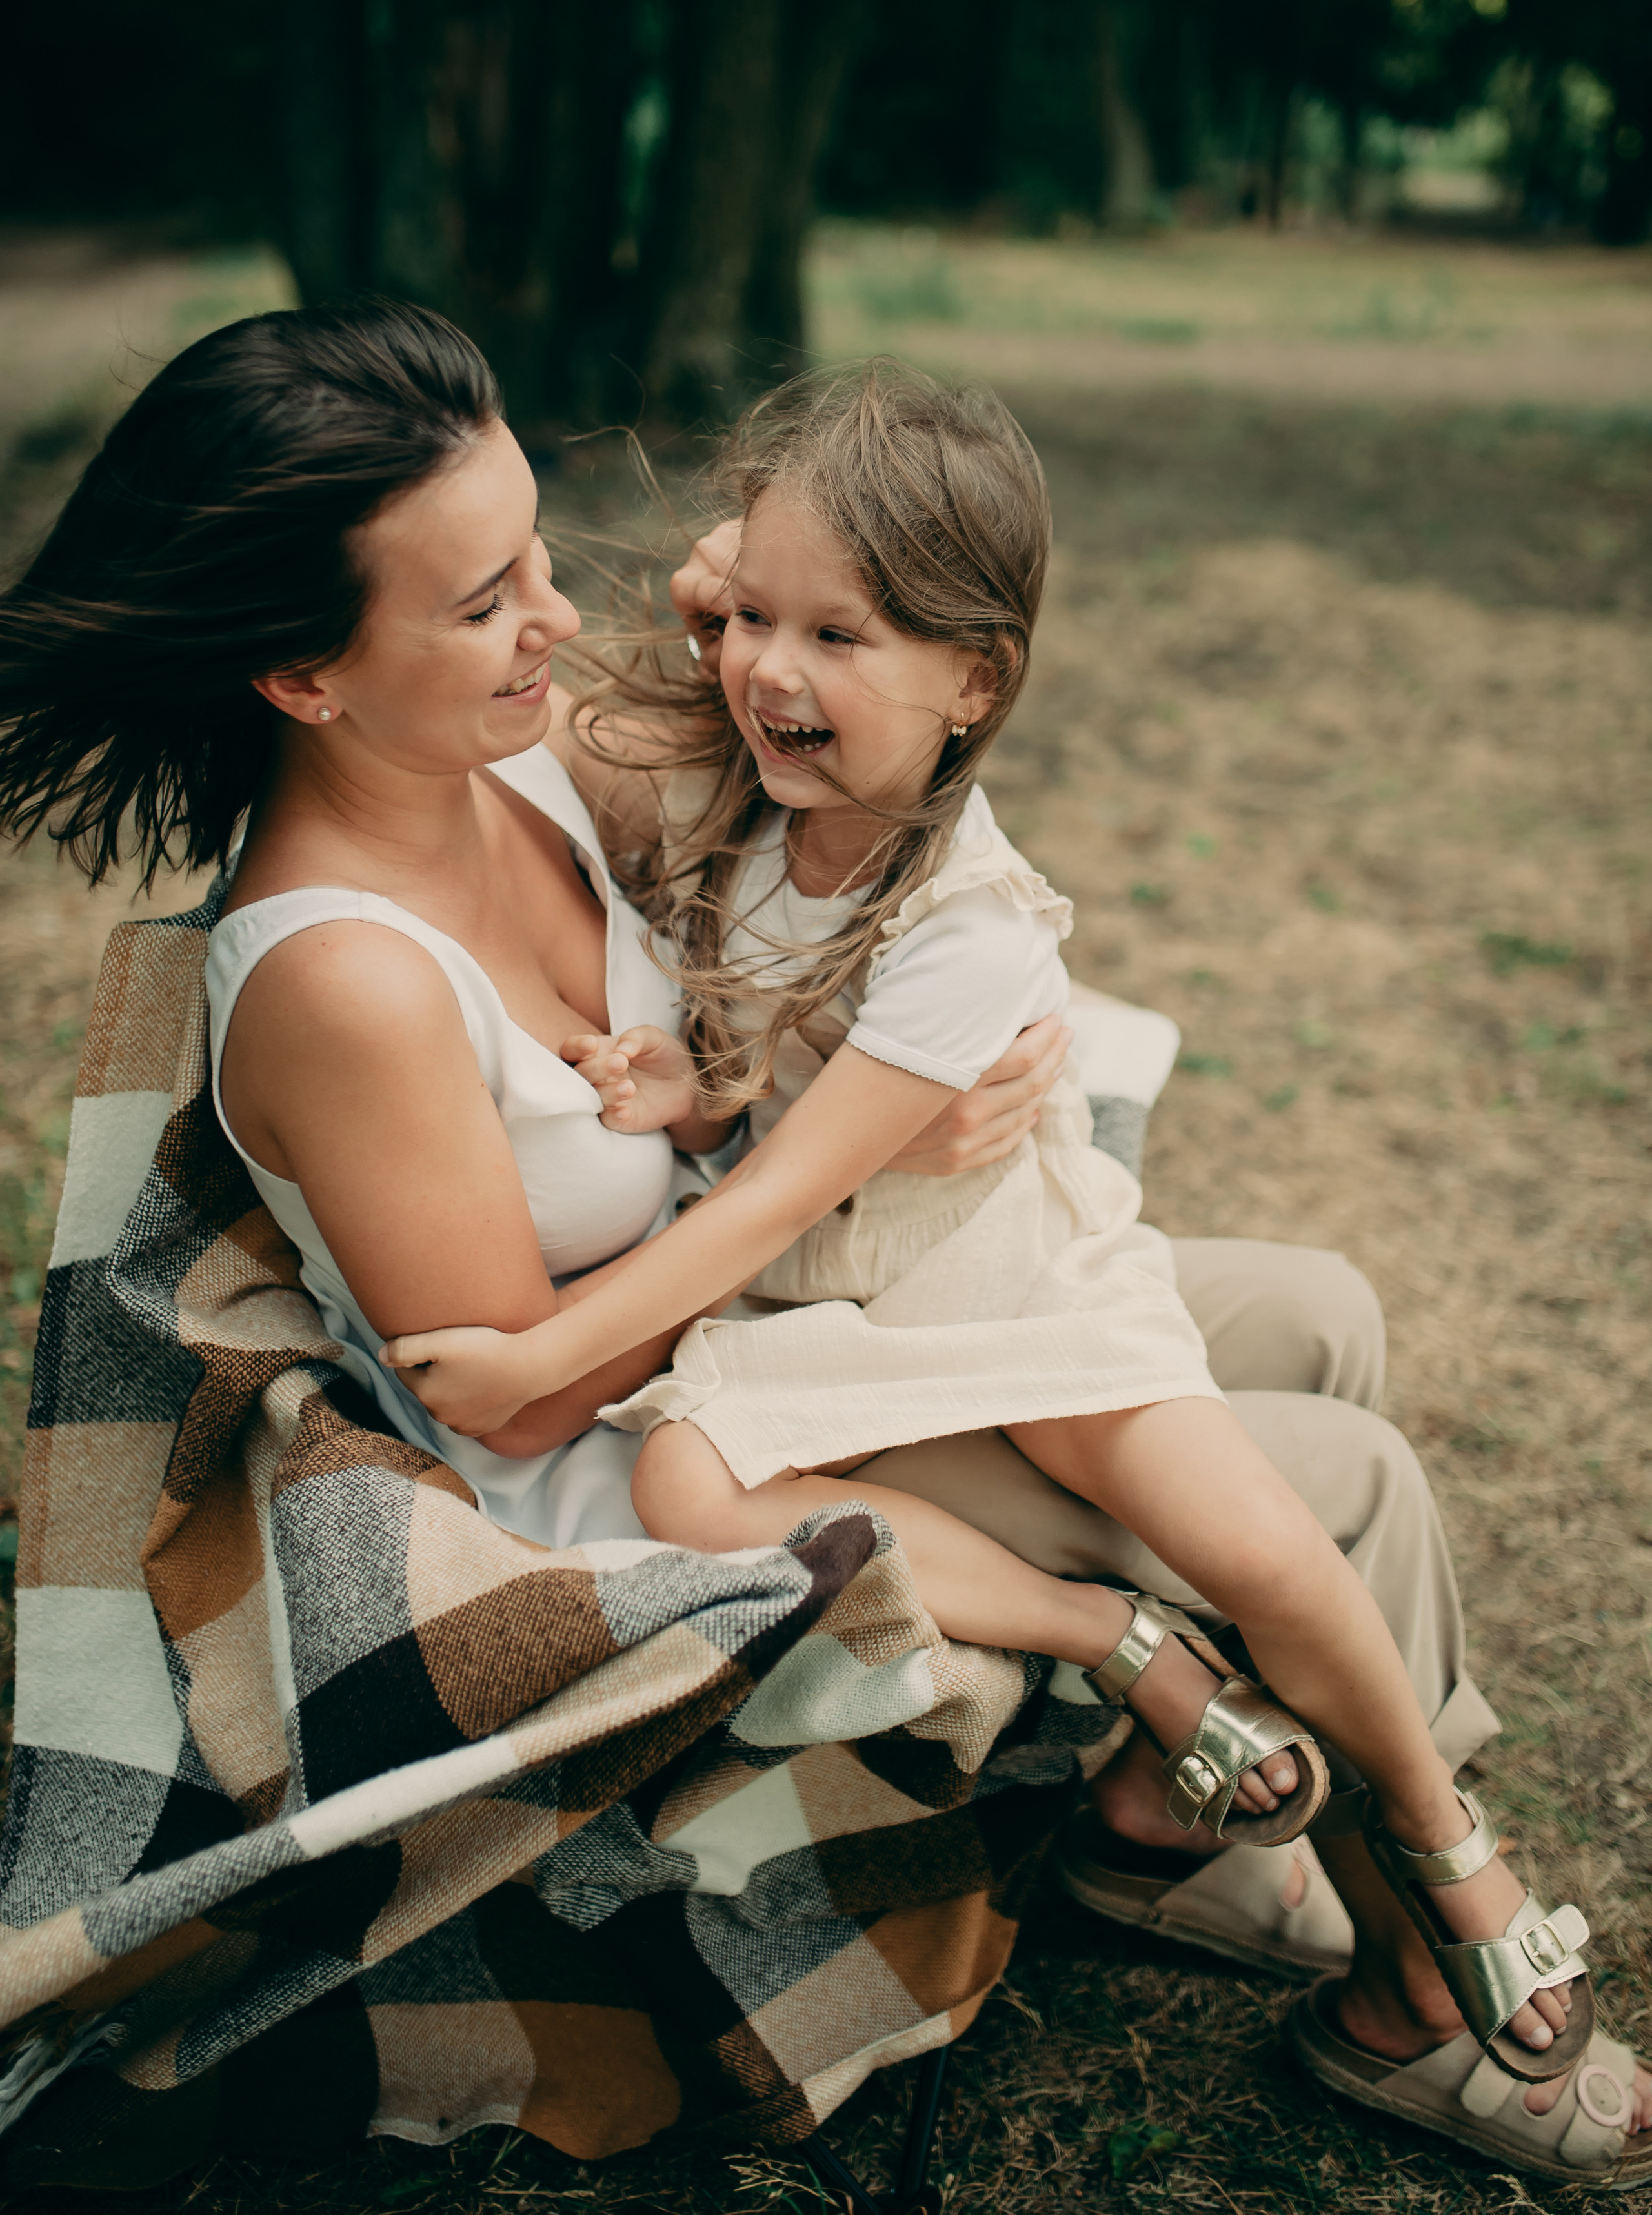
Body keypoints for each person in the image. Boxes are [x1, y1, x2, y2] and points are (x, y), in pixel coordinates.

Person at [0, 303, 1641, 2186]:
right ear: (302, 672)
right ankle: (1420, 2007)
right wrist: (835, 1140)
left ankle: (1162, 1840)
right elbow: (526, 1409)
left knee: (1319, 1318)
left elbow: (771, 652)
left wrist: (840, 1107)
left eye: (539, 548)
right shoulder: (348, 983)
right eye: (485, 598)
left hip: (769, 1313)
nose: (558, 615)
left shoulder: (508, 758)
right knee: (1341, 1486)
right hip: (640, 1454)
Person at [374, 360, 1597, 2101]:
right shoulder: (760, 791)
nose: (769, 671)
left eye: (843, 639)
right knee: (688, 1487)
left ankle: (1437, 1831)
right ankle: (1142, 1669)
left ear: (978, 682)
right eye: (758, 623)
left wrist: (542, 1356)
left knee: (1252, 1533)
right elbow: (759, 1086)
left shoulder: (969, 923)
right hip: (857, 1307)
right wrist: (690, 1083)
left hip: (1002, 1296)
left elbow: (782, 1202)